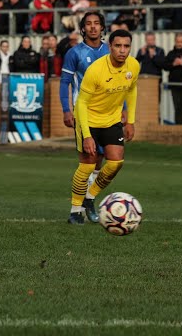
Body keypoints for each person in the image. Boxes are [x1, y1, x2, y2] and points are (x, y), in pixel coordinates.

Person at [68, 29, 139, 224]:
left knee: (116, 163)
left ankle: (89, 198)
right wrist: (87, 135)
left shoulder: (133, 65)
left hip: (112, 120)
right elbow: (81, 103)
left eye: (126, 46)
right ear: (110, 47)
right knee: (87, 165)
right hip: (88, 119)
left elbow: (132, 90)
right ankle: (75, 211)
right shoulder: (96, 70)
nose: (122, 50)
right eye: (118, 46)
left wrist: (131, 121)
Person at [59, 11, 111, 206]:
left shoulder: (110, 51)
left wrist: (123, 108)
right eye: (88, 23)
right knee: (90, 154)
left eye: (97, 23)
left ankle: (89, 194)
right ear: (83, 28)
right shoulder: (74, 53)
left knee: (103, 155)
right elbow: (64, 82)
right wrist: (66, 109)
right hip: (83, 110)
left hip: (107, 111)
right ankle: (81, 203)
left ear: (102, 27)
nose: (93, 27)